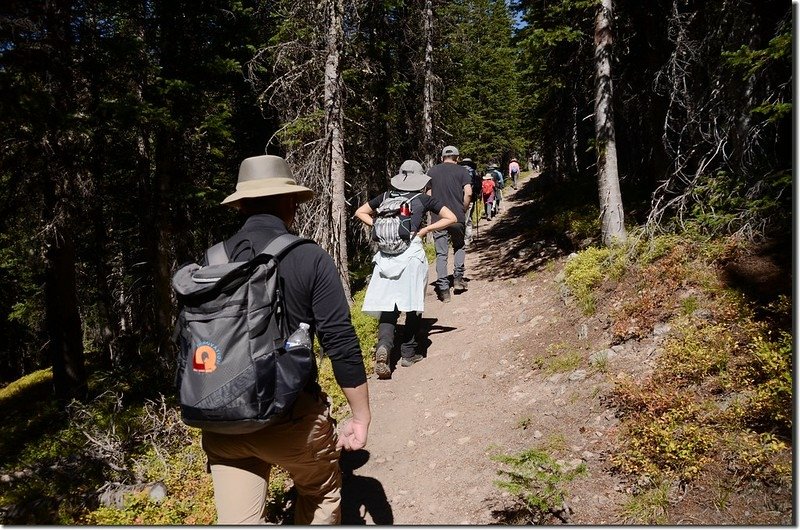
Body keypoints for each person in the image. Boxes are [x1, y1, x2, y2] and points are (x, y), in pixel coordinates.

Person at [199, 155, 371, 525]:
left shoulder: (212, 260)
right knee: (321, 493)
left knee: (238, 521)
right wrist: (360, 415)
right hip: (290, 417)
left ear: (241, 205)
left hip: (222, 420)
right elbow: (339, 341)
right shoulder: (309, 257)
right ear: (290, 202)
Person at [354, 160, 457, 378]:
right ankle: (408, 353)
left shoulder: (384, 197)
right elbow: (451, 218)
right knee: (412, 304)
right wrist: (424, 230)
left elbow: (360, 212)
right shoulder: (423, 199)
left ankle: (384, 347)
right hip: (411, 254)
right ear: (419, 179)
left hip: (385, 257)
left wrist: (381, 227)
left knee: (388, 307)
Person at [426, 145, 472, 302]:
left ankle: (444, 289)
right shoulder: (462, 171)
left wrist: (434, 212)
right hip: (457, 217)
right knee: (459, 246)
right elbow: (469, 192)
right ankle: (458, 279)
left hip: (439, 218)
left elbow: (428, 195)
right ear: (457, 157)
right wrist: (463, 208)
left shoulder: (432, 172)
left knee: (441, 254)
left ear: (442, 157)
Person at [460, 157, 480, 244]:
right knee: (468, 217)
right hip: (471, 198)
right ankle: (467, 237)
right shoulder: (474, 172)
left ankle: (465, 237)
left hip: (459, 198)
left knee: (464, 218)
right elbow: (478, 185)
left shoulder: (458, 172)